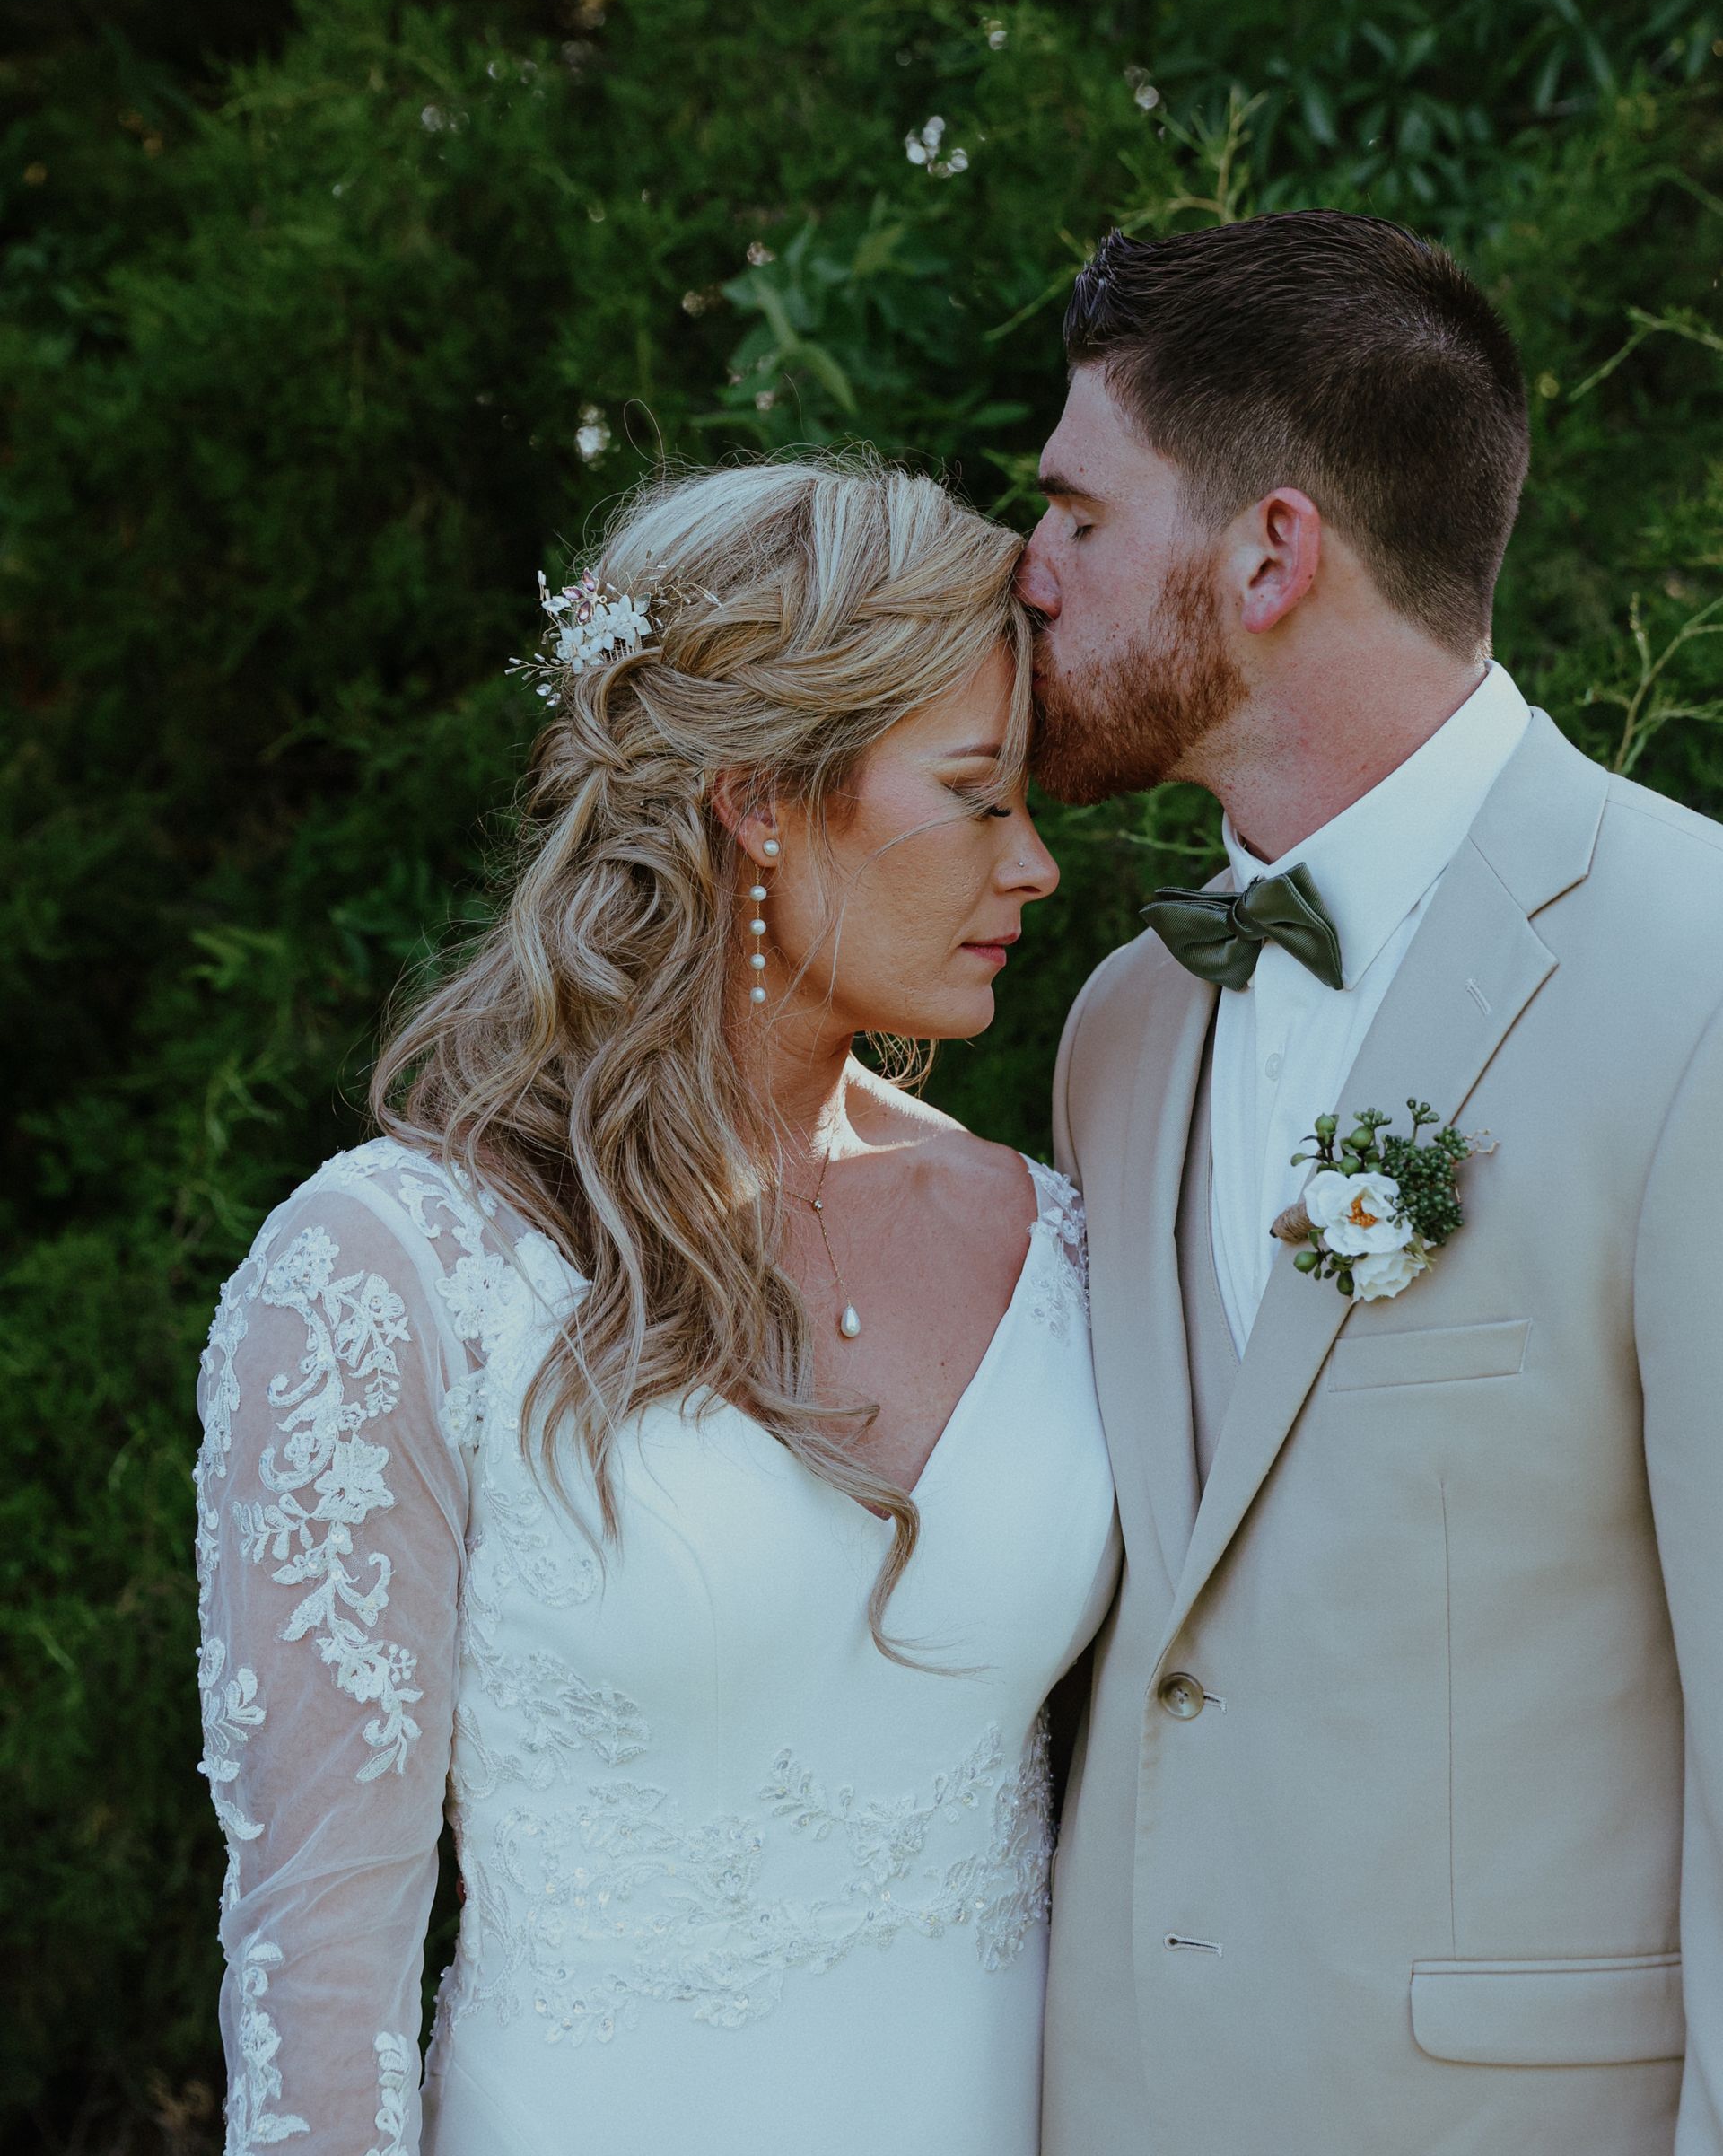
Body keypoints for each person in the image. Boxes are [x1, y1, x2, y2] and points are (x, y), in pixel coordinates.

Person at [193, 455, 1119, 2156]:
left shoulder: (1051, 1235)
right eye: (979, 794)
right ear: (761, 798)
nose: (1038, 864)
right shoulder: (396, 1275)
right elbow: (320, 1970)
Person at [1022, 209, 1723, 2155]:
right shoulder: (1120, 1031)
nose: (1032, 573)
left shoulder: (1699, 981)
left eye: (1080, 514)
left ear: (1270, 551)